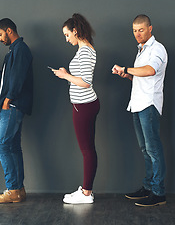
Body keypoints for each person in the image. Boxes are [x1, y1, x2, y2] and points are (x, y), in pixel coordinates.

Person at [112, 14, 168, 207]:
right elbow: (141, 76)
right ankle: (149, 187)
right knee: (145, 149)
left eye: (141, 30)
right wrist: (126, 74)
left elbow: (151, 70)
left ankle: (159, 193)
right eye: (134, 30)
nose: (137, 33)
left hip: (149, 104)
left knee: (153, 149)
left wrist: (127, 68)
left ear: (150, 29)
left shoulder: (157, 49)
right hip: (136, 104)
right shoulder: (141, 50)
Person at [0, 18, 34, 203]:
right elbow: (9, 78)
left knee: (2, 146)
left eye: (0, 34)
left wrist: (8, 100)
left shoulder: (20, 50)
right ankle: (18, 190)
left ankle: (12, 189)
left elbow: (17, 80)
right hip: (13, 105)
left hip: (12, 106)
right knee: (13, 147)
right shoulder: (14, 51)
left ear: (9, 30)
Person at [50, 13, 100, 204]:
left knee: (87, 150)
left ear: (75, 31)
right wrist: (67, 74)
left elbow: (86, 82)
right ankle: (86, 190)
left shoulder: (86, 51)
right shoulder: (83, 50)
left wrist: (65, 76)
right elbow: (81, 78)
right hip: (84, 105)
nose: (66, 38)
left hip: (84, 106)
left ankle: (86, 193)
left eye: (67, 34)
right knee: (88, 149)